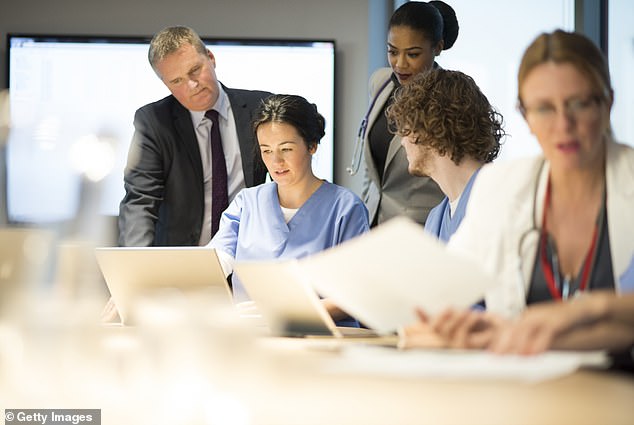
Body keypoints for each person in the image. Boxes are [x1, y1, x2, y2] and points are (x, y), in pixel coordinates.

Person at [402, 30, 634, 352]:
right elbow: (441, 293)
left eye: (578, 104)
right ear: (525, 116)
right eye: (544, 108)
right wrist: (459, 330)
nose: (563, 124)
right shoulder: (500, 187)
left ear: (607, 103)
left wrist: (590, 308)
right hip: (522, 389)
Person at [209, 94, 369, 325]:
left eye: (286, 149)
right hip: (252, 340)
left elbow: (356, 294)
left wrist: (285, 312)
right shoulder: (247, 204)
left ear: (312, 145)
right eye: (266, 150)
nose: (276, 162)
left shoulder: (345, 208)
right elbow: (215, 260)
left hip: (323, 342)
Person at [118, 26, 272, 247]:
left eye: (195, 70)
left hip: (248, 255)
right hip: (182, 260)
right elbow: (140, 201)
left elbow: (288, 182)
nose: (191, 85)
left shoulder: (260, 109)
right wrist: (135, 266)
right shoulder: (153, 121)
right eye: (177, 81)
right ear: (165, 84)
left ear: (211, 58)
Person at [351, 1, 459, 227]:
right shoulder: (380, 82)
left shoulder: (450, 102)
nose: (400, 64)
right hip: (371, 223)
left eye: (413, 54)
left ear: (437, 48)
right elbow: (374, 170)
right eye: (392, 51)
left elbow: (461, 179)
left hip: (420, 229)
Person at [385, 69, 504, 242]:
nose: (402, 142)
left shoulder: (497, 200)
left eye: (406, 128)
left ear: (429, 127)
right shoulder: (436, 219)